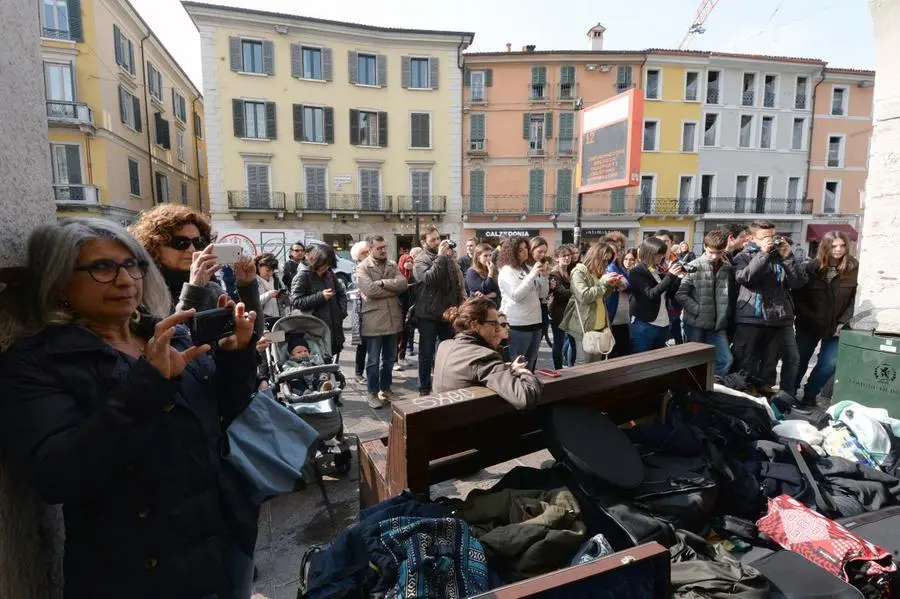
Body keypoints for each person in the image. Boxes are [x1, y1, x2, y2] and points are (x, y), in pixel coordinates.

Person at [0, 218, 260, 598]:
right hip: (136, 572)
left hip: (214, 550)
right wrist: (148, 383)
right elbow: (58, 475)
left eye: (132, 265)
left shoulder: (163, 332)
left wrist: (238, 356)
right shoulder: (36, 363)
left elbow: (222, 414)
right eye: (102, 268)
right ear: (59, 284)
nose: (125, 281)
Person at [130, 205, 262, 334]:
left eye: (197, 242)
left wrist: (247, 286)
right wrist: (194, 289)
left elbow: (250, 336)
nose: (192, 249)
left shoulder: (211, 289)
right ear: (154, 246)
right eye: (181, 243)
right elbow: (175, 341)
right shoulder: (143, 291)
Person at [731, 220, 808, 397]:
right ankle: (745, 395)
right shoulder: (743, 256)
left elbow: (798, 282)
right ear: (751, 238)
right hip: (751, 316)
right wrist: (763, 254)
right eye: (765, 237)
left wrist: (788, 257)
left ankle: (774, 399)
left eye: (773, 236)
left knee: (770, 363)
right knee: (746, 360)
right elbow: (745, 277)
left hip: (778, 317)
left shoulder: (781, 255)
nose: (771, 240)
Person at [434, 297, 542, 410]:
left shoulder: (444, 345)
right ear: (474, 325)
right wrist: (522, 371)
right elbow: (527, 395)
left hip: (444, 419)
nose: (498, 328)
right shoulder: (483, 356)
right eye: (494, 323)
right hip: (470, 422)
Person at [793, 230, 858, 404]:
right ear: (825, 246)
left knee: (829, 363)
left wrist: (844, 321)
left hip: (836, 326)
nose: (838, 249)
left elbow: (854, 299)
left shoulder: (854, 268)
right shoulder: (810, 268)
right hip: (808, 324)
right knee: (799, 359)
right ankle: (789, 393)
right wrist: (809, 316)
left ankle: (810, 394)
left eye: (843, 245)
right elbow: (798, 298)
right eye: (834, 245)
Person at [356, 235, 408, 408]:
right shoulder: (362, 267)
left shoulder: (392, 265)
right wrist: (392, 289)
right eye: (379, 248)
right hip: (374, 321)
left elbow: (403, 284)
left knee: (389, 359)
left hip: (392, 318)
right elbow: (370, 291)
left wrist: (383, 283)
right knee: (373, 360)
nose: (383, 250)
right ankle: (372, 393)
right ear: (370, 250)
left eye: (384, 247)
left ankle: (386, 389)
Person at [413, 226, 465, 396]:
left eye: (438, 238)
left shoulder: (447, 258)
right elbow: (430, 279)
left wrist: (457, 305)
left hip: (446, 313)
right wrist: (441, 257)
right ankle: (423, 388)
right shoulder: (420, 260)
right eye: (432, 239)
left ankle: (443, 383)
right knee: (426, 353)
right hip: (427, 314)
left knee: (446, 352)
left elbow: (454, 284)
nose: (437, 242)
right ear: (424, 242)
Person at [674, 230, 733, 377]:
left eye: (719, 252)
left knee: (725, 359)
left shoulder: (727, 268)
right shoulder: (693, 266)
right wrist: (698, 309)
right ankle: (696, 394)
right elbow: (680, 294)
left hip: (717, 324)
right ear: (705, 247)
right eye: (711, 252)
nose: (714, 256)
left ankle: (712, 390)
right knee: (694, 363)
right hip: (695, 323)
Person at [560, 242, 619, 364]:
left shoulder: (598, 273)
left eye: (608, 261)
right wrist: (603, 283)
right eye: (603, 260)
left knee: (596, 364)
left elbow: (601, 296)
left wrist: (609, 286)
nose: (605, 264)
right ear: (594, 257)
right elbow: (584, 296)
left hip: (600, 325)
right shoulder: (579, 272)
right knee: (583, 363)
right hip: (584, 326)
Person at [497, 236, 548, 372]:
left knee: (531, 362)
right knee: (518, 364)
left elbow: (543, 295)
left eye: (526, 248)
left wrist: (544, 277)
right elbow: (516, 296)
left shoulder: (528, 268)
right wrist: (532, 275)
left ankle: (529, 389)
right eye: (520, 250)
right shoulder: (507, 270)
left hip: (535, 322)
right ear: (512, 252)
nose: (525, 252)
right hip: (518, 324)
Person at [290, 243, 348, 364]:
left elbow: (341, 293)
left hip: (334, 330)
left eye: (328, 265)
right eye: (323, 265)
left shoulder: (329, 274)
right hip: (314, 331)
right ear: (313, 260)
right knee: (318, 367)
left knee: (332, 365)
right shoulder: (302, 276)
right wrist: (320, 296)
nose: (325, 268)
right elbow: (296, 301)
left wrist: (341, 312)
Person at [629, 237, 684, 353]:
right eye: (659, 255)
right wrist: (670, 276)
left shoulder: (658, 270)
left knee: (657, 362)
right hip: (645, 324)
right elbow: (650, 294)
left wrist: (678, 278)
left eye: (662, 255)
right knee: (640, 361)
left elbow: (669, 293)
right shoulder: (637, 271)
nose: (662, 258)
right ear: (650, 253)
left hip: (663, 322)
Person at [602, 233, 632, 359]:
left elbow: (628, 286)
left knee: (622, 351)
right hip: (610, 315)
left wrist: (623, 285)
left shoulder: (620, 267)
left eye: (620, 248)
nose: (617, 252)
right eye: (614, 249)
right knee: (610, 352)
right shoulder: (608, 266)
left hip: (623, 315)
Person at [654, 230, 684, 345]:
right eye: (659, 241)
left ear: (671, 243)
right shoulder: (652, 263)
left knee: (678, 342)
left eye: (666, 241)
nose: (663, 244)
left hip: (676, 308)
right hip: (657, 310)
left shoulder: (680, 262)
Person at [548, 246, 575, 368]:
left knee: (572, 342)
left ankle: (571, 367)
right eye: (563, 255)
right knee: (558, 343)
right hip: (558, 313)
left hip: (570, 312)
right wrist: (577, 290)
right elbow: (561, 293)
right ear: (557, 258)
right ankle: (558, 369)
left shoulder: (570, 271)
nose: (567, 258)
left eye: (568, 255)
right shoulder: (554, 273)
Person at [348, 240, 370, 383]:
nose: (367, 254)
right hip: (360, 311)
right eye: (363, 253)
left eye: (368, 251)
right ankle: (358, 373)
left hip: (372, 310)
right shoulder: (356, 270)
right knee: (362, 344)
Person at [528, 237, 553, 349]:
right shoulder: (526, 267)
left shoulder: (542, 266)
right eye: (539, 251)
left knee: (535, 348)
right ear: (531, 249)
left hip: (541, 309)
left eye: (544, 252)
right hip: (528, 311)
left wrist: (545, 276)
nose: (542, 255)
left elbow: (543, 294)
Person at [255, 252, 286, 329]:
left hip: (278, 319)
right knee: (267, 340)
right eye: (267, 270)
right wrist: (268, 295)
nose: (270, 273)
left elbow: (287, 302)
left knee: (278, 339)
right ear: (258, 266)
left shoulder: (277, 280)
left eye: (272, 270)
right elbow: (252, 303)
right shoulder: (253, 281)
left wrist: (285, 297)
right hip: (262, 321)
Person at [395, 247, 415, 370]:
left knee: (406, 333)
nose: (410, 264)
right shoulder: (398, 274)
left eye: (411, 261)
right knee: (397, 334)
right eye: (407, 261)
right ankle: (395, 360)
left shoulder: (412, 276)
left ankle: (402, 357)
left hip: (409, 308)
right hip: (398, 308)